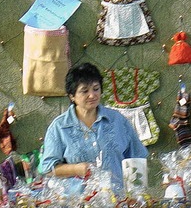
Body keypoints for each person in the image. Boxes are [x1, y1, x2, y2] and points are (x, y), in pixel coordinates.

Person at [40, 62, 147, 193]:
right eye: (85, 91)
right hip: (77, 205)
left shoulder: (117, 120)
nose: (92, 95)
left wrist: (137, 195)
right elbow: (48, 168)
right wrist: (76, 169)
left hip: (118, 203)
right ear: (72, 96)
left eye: (96, 89)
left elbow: (137, 158)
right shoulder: (60, 127)